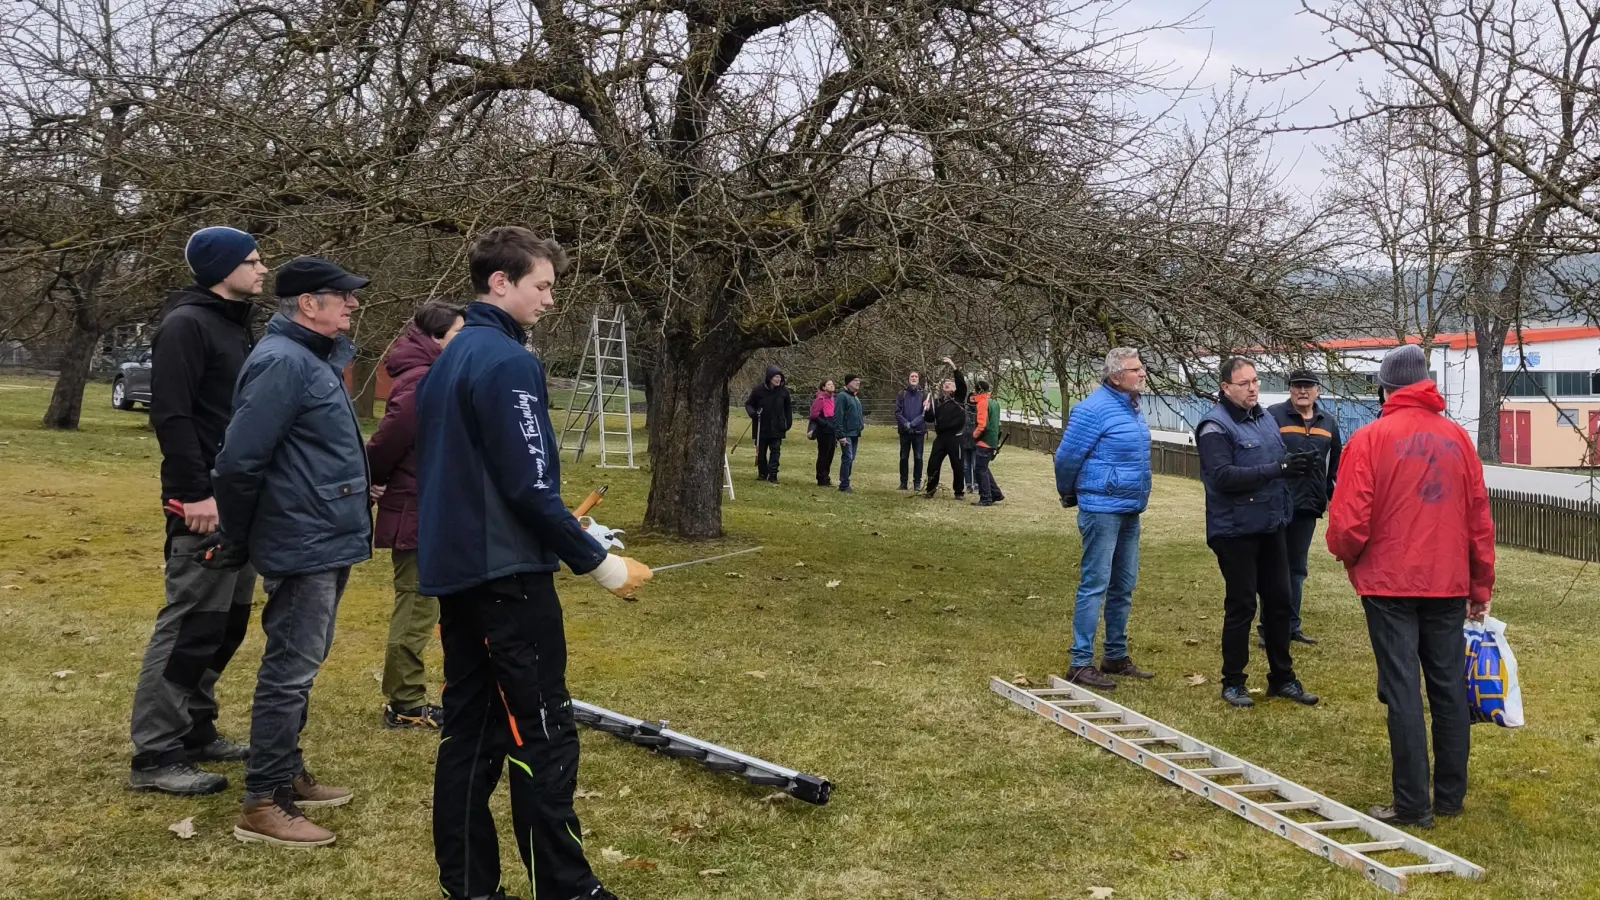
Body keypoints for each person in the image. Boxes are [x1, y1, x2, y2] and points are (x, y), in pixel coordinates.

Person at [415, 227, 651, 900]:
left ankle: (468, 887)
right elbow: (529, 485)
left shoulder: (449, 361)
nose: (550, 298)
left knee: (470, 734)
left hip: (459, 575)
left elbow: (486, 476)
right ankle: (568, 888)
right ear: (500, 282)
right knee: (543, 734)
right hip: (506, 582)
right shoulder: (506, 363)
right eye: (542, 285)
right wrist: (599, 562)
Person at [210, 257, 373, 846]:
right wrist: (238, 535)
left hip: (324, 534)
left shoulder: (314, 360)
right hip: (301, 538)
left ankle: (287, 774)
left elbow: (309, 450)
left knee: (303, 665)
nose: (353, 305)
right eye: (343, 296)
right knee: (289, 669)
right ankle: (265, 799)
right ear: (309, 304)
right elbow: (238, 461)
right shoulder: (284, 362)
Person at [1326, 344, 1494, 829]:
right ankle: (1449, 797)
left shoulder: (1371, 438)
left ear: (1385, 387)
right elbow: (1479, 518)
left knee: (1402, 690)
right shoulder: (1457, 438)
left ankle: (1412, 804)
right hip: (1446, 582)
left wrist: (1351, 558)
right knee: (1447, 688)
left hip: (1388, 582)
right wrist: (1480, 584)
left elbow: (1349, 521)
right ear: (1426, 385)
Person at [129, 227, 268, 796]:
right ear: (220, 267)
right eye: (252, 260)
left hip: (239, 500)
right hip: (203, 503)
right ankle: (156, 753)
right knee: (191, 622)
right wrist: (195, 495)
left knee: (226, 623)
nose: (263, 269)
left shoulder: (234, 325)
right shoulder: (186, 326)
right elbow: (174, 415)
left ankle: (196, 729)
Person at [1197, 356, 1319, 709]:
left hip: (1271, 524)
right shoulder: (1214, 427)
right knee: (1242, 605)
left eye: (1256, 381)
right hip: (1234, 529)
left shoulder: (1265, 418)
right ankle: (1233, 682)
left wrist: (1295, 467)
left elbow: (1275, 464)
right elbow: (1221, 476)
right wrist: (1277, 468)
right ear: (1225, 388)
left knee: (1279, 603)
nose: (1252, 388)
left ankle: (1283, 679)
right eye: (1244, 383)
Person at [365, 302, 466, 729]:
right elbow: (389, 440)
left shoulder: (435, 374)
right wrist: (370, 476)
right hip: (417, 509)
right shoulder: (421, 380)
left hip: (439, 508)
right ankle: (404, 702)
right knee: (417, 606)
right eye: (459, 333)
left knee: (436, 604)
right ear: (436, 338)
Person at [1054, 348, 1153, 689]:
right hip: (1101, 509)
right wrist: (1072, 494)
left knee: (1124, 585)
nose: (1142, 374)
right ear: (1115, 377)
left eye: (1142, 368)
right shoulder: (1092, 410)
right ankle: (1080, 662)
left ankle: (1115, 655)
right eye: (1135, 369)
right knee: (1095, 584)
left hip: (1129, 509)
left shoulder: (1132, 407)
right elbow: (1066, 458)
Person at [1266, 370, 1342, 645]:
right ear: (1290, 390)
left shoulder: (1329, 422)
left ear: (1317, 391)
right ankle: (1270, 628)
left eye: (1308, 387)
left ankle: (1292, 626)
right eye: (1297, 386)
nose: (1302, 391)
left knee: (1297, 568)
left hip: (1309, 504)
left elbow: (1335, 464)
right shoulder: (1273, 416)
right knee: (1274, 568)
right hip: (1277, 501)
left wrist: (1332, 496)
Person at [923, 357, 968, 498]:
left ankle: (959, 492)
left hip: (955, 438)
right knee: (933, 464)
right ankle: (930, 489)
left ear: (955, 388)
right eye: (945, 384)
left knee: (958, 466)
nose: (947, 384)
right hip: (941, 438)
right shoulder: (938, 402)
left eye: (950, 383)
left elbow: (962, 384)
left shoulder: (959, 399)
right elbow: (930, 419)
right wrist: (927, 409)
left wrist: (953, 366)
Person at [744, 365, 792, 483]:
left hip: (778, 426)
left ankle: (773, 474)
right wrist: (753, 414)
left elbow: (788, 409)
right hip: (762, 426)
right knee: (761, 451)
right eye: (776, 377)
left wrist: (787, 424)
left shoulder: (784, 391)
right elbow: (749, 404)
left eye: (780, 377)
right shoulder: (758, 390)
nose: (778, 379)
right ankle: (762, 473)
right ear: (769, 377)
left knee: (775, 450)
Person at [969, 378, 1002, 506]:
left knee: (980, 470)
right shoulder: (995, 403)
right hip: (993, 441)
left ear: (979, 391)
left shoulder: (982, 403)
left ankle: (986, 498)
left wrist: (974, 435)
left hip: (984, 441)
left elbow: (982, 425)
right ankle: (996, 494)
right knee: (984, 468)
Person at [895, 371, 927, 491]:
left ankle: (917, 483)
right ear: (908, 379)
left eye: (916, 377)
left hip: (918, 432)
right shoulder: (901, 394)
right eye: (911, 376)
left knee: (918, 457)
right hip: (904, 432)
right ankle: (903, 483)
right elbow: (897, 412)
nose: (913, 378)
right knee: (904, 457)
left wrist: (913, 424)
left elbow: (924, 413)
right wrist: (905, 424)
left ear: (919, 379)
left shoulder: (924, 394)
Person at [835, 374, 864, 493]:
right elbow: (838, 416)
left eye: (859, 380)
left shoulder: (855, 397)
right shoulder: (842, 396)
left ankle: (846, 482)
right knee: (847, 457)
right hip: (846, 433)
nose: (858, 383)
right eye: (855, 381)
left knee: (851, 458)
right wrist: (840, 435)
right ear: (848, 383)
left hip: (855, 433)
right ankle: (844, 484)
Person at [810, 379, 839, 486]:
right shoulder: (820, 399)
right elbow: (814, 415)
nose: (832, 386)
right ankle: (821, 477)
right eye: (829, 384)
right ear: (823, 387)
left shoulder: (833, 399)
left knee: (830, 454)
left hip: (833, 429)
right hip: (824, 430)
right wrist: (825, 424)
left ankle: (826, 476)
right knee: (824, 454)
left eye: (832, 384)